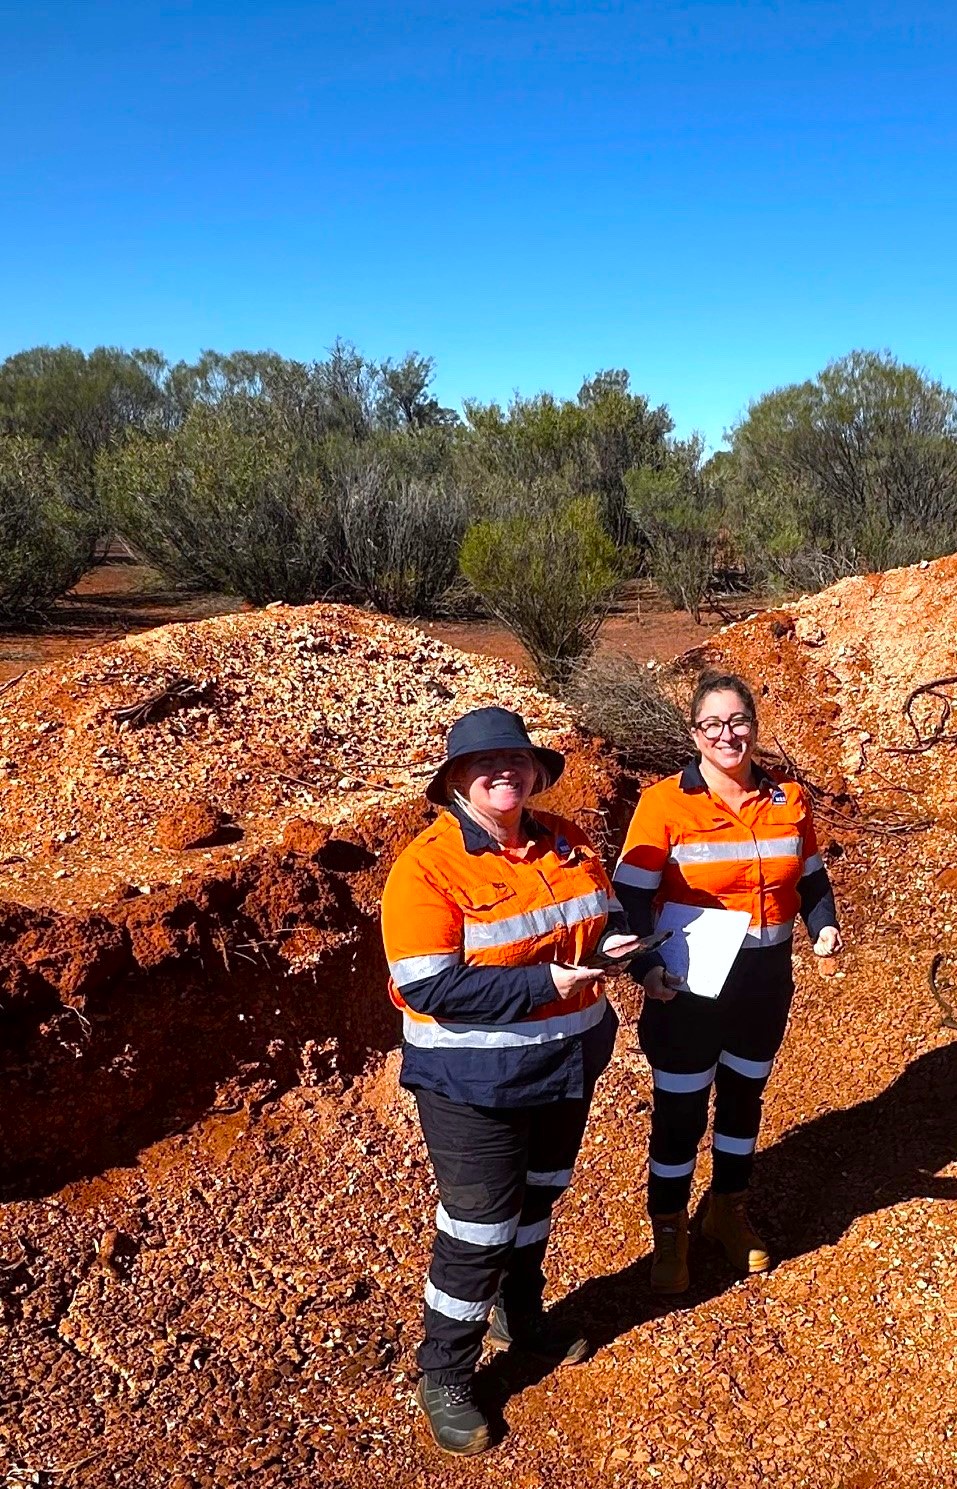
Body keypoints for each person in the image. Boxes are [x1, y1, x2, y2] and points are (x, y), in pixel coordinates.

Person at [381, 706, 641, 1455]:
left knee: (538, 1198)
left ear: (534, 770)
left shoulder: (566, 838)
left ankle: (518, 1313)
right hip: (474, 1084)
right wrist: (545, 982)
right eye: (484, 763)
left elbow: (603, 914)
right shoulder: (426, 868)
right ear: (456, 779)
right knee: (479, 1227)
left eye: (516, 759)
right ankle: (444, 1373)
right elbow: (427, 985)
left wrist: (633, 951)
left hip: (567, 1063)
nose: (504, 772)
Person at [613, 671, 842, 1294]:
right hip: (688, 986)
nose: (726, 735)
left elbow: (811, 878)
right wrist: (644, 968)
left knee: (744, 1100)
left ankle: (727, 1211)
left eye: (738, 721)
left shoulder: (788, 799)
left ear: (754, 727)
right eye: (711, 724)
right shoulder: (664, 804)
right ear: (694, 734)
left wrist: (823, 924)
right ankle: (669, 1229)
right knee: (681, 1111)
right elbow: (627, 901)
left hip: (765, 982)